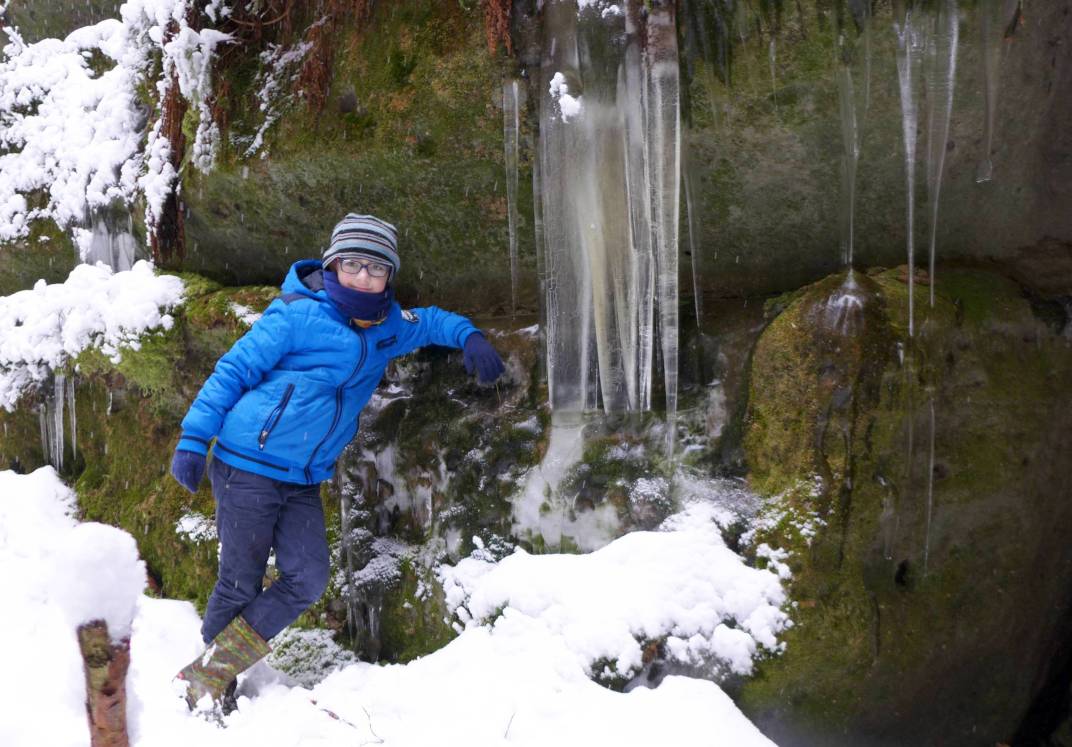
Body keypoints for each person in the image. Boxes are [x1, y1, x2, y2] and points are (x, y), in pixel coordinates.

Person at [168, 213, 505, 711]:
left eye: (375, 268)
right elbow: (233, 371)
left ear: (389, 276)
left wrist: (470, 336)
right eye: (352, 264)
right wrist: (195, 438)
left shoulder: (388, 327)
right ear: (332, 264)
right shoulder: (296, 315)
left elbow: (431, 321)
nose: (362, 277)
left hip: (303, 478)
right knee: (240, 578)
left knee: (308, 578)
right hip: (247, 465)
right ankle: (211, 682)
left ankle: (215, 666)